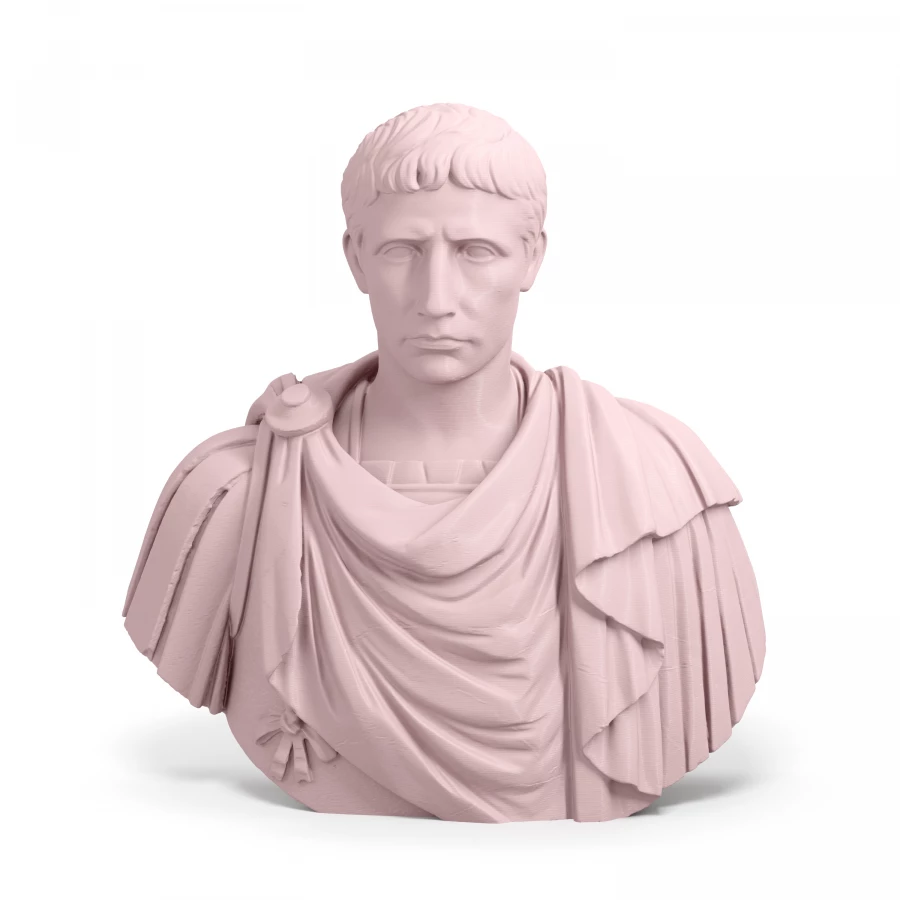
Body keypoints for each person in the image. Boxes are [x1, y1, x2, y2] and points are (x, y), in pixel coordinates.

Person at [123, 103, 765, 823]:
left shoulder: (652, 491)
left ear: (532, 257)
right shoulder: (236, 496)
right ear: (355, 258)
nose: (436, 299)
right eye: (403, 250)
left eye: (475, 252)